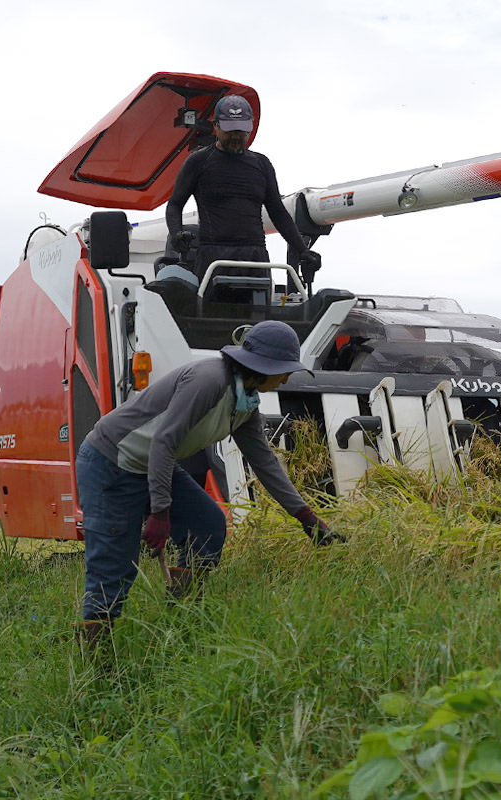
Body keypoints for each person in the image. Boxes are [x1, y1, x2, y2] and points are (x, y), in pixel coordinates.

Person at [74, 320, 341, 648]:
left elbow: (265, 463)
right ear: (265, 365)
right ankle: (95, 667)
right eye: (285, 369)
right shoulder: (209, 380)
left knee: (207, 525)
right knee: (114, 566)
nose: (287, 377)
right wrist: (161, 511)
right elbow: (163, 442)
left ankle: (179, 625)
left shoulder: (245, 403)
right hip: (110, 465)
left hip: (152, 466)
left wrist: (306, 517)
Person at [166, 94, 318, 283]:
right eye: (230, 131)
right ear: (216, 126)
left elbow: (278, 212)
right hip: (214, 255)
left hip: (255, 257)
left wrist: (302, 250)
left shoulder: (261, 164)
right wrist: (176, 234)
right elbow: (174, 205)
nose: (236, 136)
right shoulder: (199, 161)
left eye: (242, 131)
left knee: (260, 311)